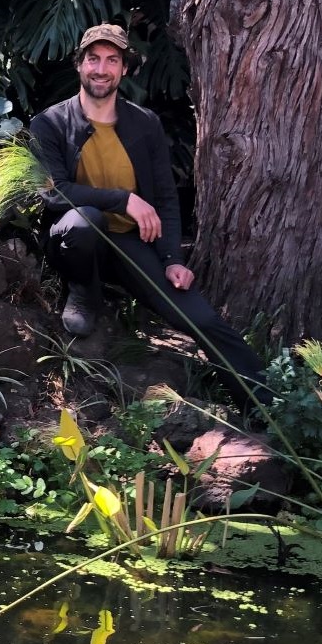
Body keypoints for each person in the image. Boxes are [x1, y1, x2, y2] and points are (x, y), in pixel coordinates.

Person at [29, 23, 270, 415]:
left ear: (124, 69)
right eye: (93, 59)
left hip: (130, 244)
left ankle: (268, 407)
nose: (101, 69)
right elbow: (54, 193)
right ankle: (84, 292)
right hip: (76, 241)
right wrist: (123, 199)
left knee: (202, 318)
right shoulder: (50, 123)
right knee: (85, 220)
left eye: (112, 60)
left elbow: (165, 199)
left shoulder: (144, 123)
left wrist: (172, 258)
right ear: (79, 65)